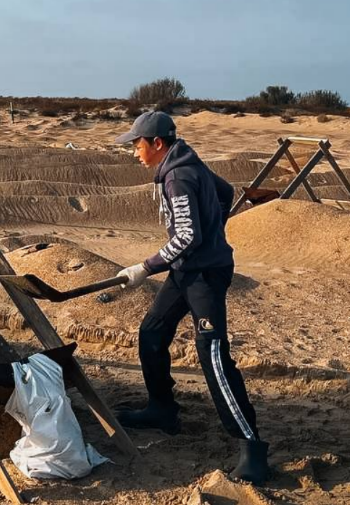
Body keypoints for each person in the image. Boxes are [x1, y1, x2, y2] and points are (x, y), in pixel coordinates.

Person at [113, 111, 270, 485]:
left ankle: (252, 447)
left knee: (212, 354)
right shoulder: (185, 160)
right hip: (186, 270)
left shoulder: (178, 175)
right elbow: (225, 192)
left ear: (157, 144)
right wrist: (213, 224)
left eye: (137, 145)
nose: (135, 153)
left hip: (204, 276)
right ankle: (161, 409)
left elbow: (187, 237)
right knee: (152, 332)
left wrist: (145, 267)